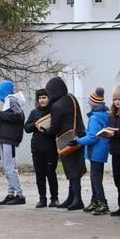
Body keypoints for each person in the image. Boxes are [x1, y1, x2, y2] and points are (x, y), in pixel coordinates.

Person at [43, 76, 87, 210]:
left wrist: (44, 131)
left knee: (71, 169)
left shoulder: (57, 106)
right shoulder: (71, 98)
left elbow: (54, 129)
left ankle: (77, 199)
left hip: (66, 140)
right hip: (79, 137)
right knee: (75, 169)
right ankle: (71, 197)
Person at [74, 88, 110, 215]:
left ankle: (102, 202)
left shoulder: (95, 118)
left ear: (92, 103)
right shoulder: (105, 114)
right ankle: (95, 201)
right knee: (95, 177)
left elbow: (92, 137)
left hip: (96, 151)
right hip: (101, 151)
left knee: (95, 178)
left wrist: (77, 141)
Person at [0, 80, 26, 205]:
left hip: (9, 139)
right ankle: (11, 193)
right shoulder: (9, 101)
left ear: (3, 92)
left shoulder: (11, 100)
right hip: (5, 138)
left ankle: (20, 194)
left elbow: (18, 116)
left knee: (10, 168)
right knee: (7, 167)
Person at [24, 89, 59, 208]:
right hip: (37, 148)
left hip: (50, 149)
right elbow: (27, 128)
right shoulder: (34, 112)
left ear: (48, 99)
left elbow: (56, 129)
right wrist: (35, 124)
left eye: (44, 97)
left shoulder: (53, 112)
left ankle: (54, 198)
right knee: (39, 174)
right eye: (40, 98)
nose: (42, 100)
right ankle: (42, 199)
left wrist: (46, 130)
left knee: (51, 173)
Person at [107, 85, 120, 218]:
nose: (117, 102)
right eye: (115, 99)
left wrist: (117, 134)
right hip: (115, 152)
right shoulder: (112, 115)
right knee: (118, 181)